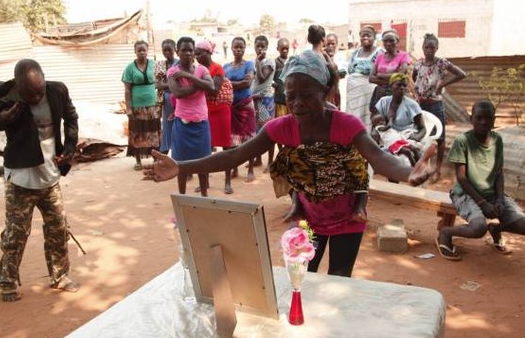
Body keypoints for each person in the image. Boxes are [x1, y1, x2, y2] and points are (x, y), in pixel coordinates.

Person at [144, 50, 436, 277]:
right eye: (291, 96)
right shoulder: (280, 127)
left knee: (338, 277)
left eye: (307, 96)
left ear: (326, 94)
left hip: (349, 222)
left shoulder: (345, 124)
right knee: (304, 276)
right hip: (309, 221)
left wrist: (410, 172)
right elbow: (234, 155)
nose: (296, 103)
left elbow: (379, 157)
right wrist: (182, 167)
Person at [0, 59, 80, 302]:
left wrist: (70, 147)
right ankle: (6, 283)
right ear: (19, 86)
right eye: (31, 93)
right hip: (20, 178)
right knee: (16, 235)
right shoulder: (4, 95)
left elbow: (72, 118)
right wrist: (3, 118)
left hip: (50, 176)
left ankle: (60, 276)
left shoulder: (57, 90)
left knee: (58, 229)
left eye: (40, 90)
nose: (38, 96)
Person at [436, 100, 525, 260]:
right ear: (471, 119)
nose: (484, 122)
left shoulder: (497, 140)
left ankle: (496, 229)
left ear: (494, 120)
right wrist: (483, 203)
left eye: (488, 118)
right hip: (465, 193)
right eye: (479, 118)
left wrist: (499, 199)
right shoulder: (462, 141)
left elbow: (498, 173)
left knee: (522, 223)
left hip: (491, 193)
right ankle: (445, 232)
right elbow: (462, 178)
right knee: (478, 228)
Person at [413, 33, 466, 182]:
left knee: (440, 138)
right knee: (421, 135)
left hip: (435, 105)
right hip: (420, 105)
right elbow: (414, 76)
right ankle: (421, 166)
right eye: (426, 47)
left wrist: (442, 84)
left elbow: (462, 74)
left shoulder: (441, 63)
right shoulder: (418, 64)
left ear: (437, 48)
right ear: (422, 48)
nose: (429, 50)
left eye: (432, 47)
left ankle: (437, 169)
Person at [167, 36, 214, 197]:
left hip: (201, 123)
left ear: (194, 52)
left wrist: (190, 77)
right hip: (182, 124)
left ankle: (204, 197)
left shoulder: (201, 70)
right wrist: (200, 83)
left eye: (190, 50)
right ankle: (182, 197)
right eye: (183, 50)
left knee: (204, 163)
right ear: (177, 52)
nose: (187, 53)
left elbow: (211, 86)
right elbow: (178, 94)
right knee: (181, 164)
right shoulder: (172, 72)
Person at [194, 40, 233, 194]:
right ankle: (206, 182)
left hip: (220, 111)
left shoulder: (217, 68)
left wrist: (196, 84)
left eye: (199, 53)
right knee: (205, 149)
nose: (196, 57)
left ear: (208, 52)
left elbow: (214, 90)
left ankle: (228, 182)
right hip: (204, 111)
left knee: (226, 148)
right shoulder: (198, 70)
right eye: (195, 54)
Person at [122, 40, 161, 170]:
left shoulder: (154, 64)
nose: (142, 53)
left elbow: (161, 83)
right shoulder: (129, 68)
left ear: (147, 50)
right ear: (135, 52)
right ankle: (138, 160)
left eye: (144, 50)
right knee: (137, 132)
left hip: (153, 105)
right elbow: (127, 90)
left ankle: (156, 158)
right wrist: (128, 108)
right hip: (136, 106)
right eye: (139, 50)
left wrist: (161, 102)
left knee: (153, 132)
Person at [224, 36, 256, 182]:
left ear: (244, 49)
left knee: (249, 138)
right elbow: (221, 85)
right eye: (236, 47)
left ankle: (250, 169)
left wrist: (229, 84)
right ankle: (234, 168)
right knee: (232, 139)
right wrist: (238, 82)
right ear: (231, 48)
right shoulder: (226, 67)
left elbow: (248, 83)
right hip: (231, 107)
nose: (238, 49)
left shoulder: (249, 64)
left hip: (245, 106)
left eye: (241, 47)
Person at [346, 25, 384, 131]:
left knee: (367, 117)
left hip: (369, 92)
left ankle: (365, 139)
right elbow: (350, 70)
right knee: (353, 117)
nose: (365, 38)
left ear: (374, 37)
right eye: (363, 35)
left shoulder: (379, 53)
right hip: (353, 93)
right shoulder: (355, 52)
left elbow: (381, 72)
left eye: (369, 35)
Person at [369, 29, 411, 116]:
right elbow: (371, 78)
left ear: (397, 41)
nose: (388, 43)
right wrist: (392, 79)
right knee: (379, 120)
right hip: (380, 95)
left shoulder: (403, 56)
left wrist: (380, 75)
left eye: (391, 40)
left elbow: (401, 75)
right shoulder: (380, 57)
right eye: (385, 41)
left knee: (396, 119)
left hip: (396, 95)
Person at [251, 35, 276, 172]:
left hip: (265, 100)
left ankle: (270, 162)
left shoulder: (269, 61)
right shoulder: (255, 60)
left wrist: (259, 63)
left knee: (268, 130)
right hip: (256, 100)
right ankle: (258, 159)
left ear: (266, 47)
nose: (260, 49)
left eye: (262, 46)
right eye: (257, 46)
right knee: (256, 131)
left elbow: (261, 78)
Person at [155, 39, 179, 155]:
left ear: (175, 49)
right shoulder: (160, 65)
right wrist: (171, 85)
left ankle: (179, 155)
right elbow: (157, 85)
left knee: (179, 126)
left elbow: (181, 84)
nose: (167, 52)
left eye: (169, 50)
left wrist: (166, 86)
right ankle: (164, 155)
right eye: (165, 50)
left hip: (179, 100)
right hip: (166, 101)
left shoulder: (180, 63)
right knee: (167, 127)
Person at [307, 24, 340, 106]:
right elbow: (335, 79)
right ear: (323, 39)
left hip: (308, 99)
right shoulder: (325, 59)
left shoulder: (303, 57)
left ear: (309, 39)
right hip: (324, 100)